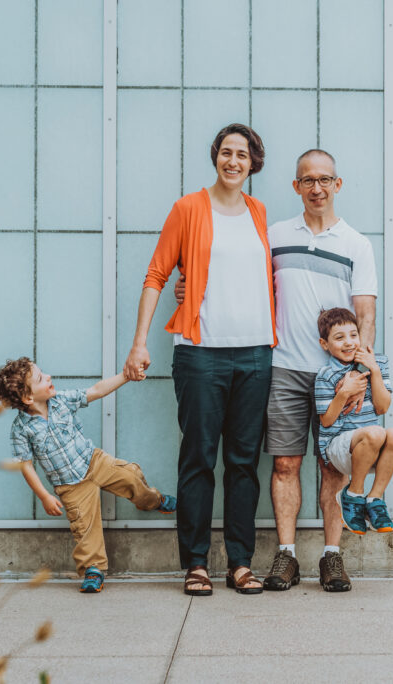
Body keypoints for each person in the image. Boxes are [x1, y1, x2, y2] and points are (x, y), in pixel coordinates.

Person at [124, 123, 275, 596]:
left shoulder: (258, 211)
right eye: (226, 153)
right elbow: (156, 273)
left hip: (254, 353)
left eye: (243, 155)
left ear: (254, 163)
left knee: (244, 462)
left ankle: (240, 563)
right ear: (216, 157)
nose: (234, 161)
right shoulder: (188, 208)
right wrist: (139, 343)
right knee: (198, 458)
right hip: (201, 354)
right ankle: (195, 564)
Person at [260, 149, 377, 592]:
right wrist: (186, 286)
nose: (317, 188)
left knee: (333, 468)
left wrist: (361, 375)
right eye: (307, 180)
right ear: (296, 186)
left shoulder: (356, 244)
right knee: (285, 463)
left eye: (325, 180)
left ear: (337, 185)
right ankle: (286, 557)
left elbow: (365, 313)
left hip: (338, 376)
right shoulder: (274, 237)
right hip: (285, 368)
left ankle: (332, 557)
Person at [0, 357, 176, 594]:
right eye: (40, 378)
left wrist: (125, 376)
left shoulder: (61, 401)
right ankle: (93, 568)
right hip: (70, 485)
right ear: (28, 398)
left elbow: (96, 391)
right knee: (84, 526)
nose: (48, 376)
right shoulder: (22, 429)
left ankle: (153, 501)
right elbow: (25, 465)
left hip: (93, 461)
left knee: (131, 477)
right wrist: (44, 496)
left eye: (43, 372)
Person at [314, 308, 393, 536]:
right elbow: (326, 421)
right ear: (325, 344)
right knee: (375, 432)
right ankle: (353, 494)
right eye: (339, 337)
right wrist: (344, 393)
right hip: (338, 451)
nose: (349, 343)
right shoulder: (326, 375)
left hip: (369, 448)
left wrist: (373, 370)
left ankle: (374, 499)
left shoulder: (377, 363)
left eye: (353, 335)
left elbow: (383, 407)